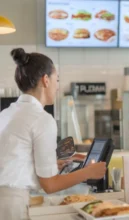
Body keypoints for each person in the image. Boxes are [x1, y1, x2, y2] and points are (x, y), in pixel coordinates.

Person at [0, 48, 107, 220]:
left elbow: (13, 161)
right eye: (57, 80)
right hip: (10, 204)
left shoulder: (7, 113)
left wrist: (48, 166)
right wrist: (89, 172)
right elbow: (50, 185)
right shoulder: (42, 119)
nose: (57, 87)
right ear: (46, 80)